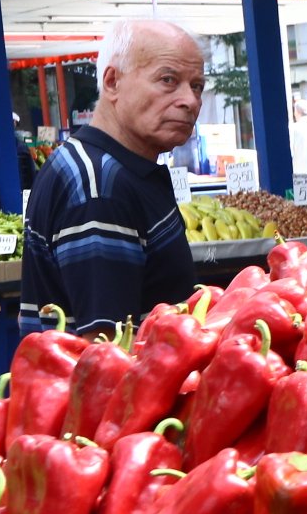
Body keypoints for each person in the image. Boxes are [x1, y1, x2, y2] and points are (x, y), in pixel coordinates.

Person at [20, 20, 205, 336]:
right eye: (168, 80)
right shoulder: (100, 189)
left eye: (197, 85)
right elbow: (106, 350)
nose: (189, 100)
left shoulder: (112, 169)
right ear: (112, 82)